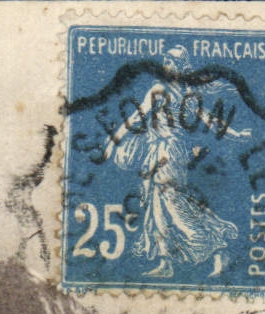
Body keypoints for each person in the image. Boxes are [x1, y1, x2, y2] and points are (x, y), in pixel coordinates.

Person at [100, 46, 248, 278]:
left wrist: (111, 143)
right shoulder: (175, 90)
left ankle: (213, 245)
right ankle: (167, 261)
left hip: (169, 152)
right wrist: (112, 142)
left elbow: (208, 118)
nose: (166, 65)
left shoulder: (171, 91)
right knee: (158, 205)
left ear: (180, 67)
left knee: (172, 202)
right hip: (162, 152)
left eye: (171, 62)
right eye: (166, 61)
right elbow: (137, 117)